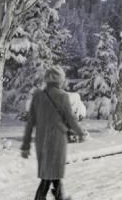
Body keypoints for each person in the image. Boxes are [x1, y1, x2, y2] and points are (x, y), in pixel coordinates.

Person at [22, 67, 87, 200]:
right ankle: (42, 197)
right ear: (60, 80)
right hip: (57, 140)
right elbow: (71, 118)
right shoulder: (62, 96)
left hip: (41, 141)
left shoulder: (38, 96)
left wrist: (26, 144)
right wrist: (81, 133)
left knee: (50, 172)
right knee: (51, 173)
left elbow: (30, 122)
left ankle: (59, 196)